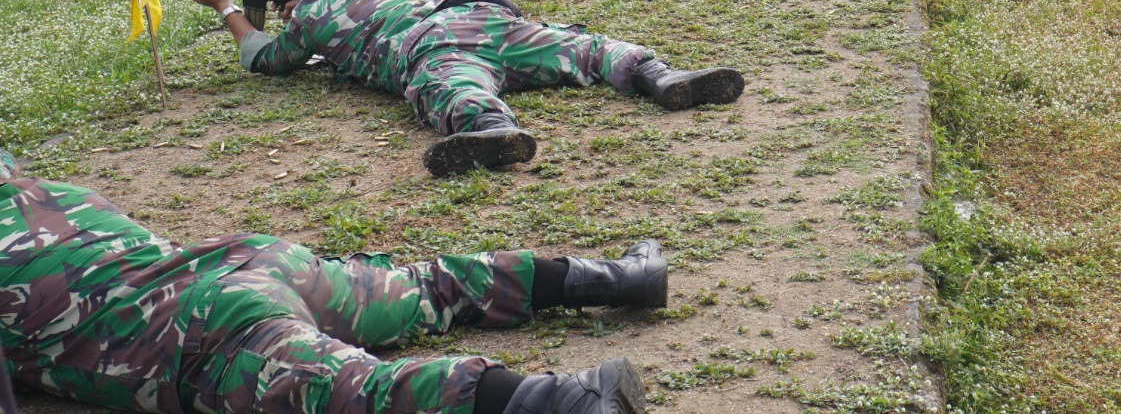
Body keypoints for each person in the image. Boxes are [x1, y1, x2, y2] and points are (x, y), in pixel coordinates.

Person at [0, 147, 664, 414]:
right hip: (254, 262)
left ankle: (566, 400)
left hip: (201, 333)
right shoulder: (49, 191)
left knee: (359, 391)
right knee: (431, 288)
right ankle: (621, 277)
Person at [184, 0, 747, 176]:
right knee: (583, 47)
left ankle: (491, 131)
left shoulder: (312, 12)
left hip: (426, 47)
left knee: (455, 88)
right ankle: (659, 76)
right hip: (475, 16)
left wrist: (227, 9)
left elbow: (266, 59)